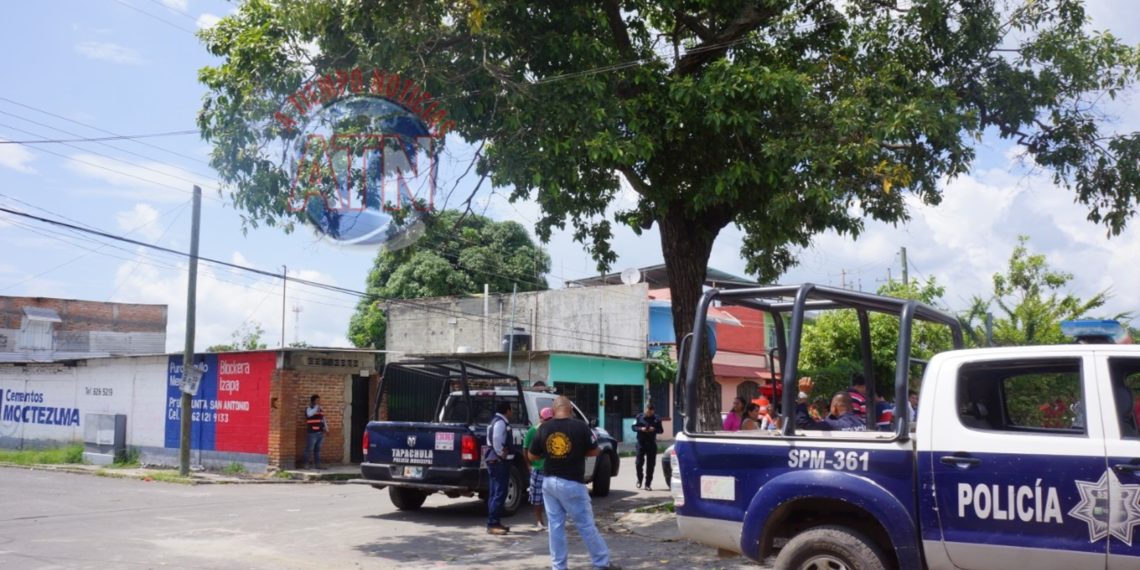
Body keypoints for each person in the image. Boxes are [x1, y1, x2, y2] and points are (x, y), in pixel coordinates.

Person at [528, 396, 621, 570]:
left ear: (554, 411)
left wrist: (548, 455)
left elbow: (532, 456)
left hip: (549, 483)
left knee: (555, 527)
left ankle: (559, 567)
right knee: (585, 525)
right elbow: (594, 451)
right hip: (572, 483)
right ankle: (601, 563)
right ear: (570, 410)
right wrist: (579, 451)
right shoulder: (580, 427)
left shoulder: (544, 428)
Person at [484, 401, 514, 535]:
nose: (512, 413)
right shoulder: (500, 422)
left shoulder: (493, 421)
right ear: (507, 411)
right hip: (498, 461)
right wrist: (501, 453)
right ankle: (492, 523)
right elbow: (496, 438)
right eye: (511, 410)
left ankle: (495, 521)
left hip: (493, 459)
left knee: (494, 492)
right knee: (499, 492)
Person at [795, 378, 866, 431]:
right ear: (852, 407)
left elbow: (803, 424)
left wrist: (803, 394)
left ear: (834, 408)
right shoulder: (865, 423)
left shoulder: (832, 425)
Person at [523, 406, 554, 530]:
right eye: (546, 419)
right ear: (541, 419)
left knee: (552, 497)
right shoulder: (533, 431)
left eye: (550, 419)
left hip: (552, 469)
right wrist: (529, 465)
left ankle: (552, 521)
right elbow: (525, 448)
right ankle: (539, 521)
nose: (548, 421)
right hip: (538, 469)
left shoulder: (554, 430)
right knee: (537, 497)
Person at [633, 404, 663, 490]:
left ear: (653, 411)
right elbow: (633, 427)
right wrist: (641, 429)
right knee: (638, 463)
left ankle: (648, 484)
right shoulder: (639, 416)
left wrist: (654, 429)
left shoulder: (657, 419)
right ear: (645, 410)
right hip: (641, 443)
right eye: (648, 412)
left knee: (651, 465)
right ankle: (639, 479)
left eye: (651, 412)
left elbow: (661, 430)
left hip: (651, 444)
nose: (649, 414)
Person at [304, 394, 326, 469]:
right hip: (312, 432)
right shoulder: (309, 408)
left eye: (319, 400)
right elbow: (309, 414)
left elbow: (323, 419)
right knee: (309, 449)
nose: (319, 402)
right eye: (317, 400)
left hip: (320, 432)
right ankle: (306, 464)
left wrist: (326, 428)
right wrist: (316, 407)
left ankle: (318, 464)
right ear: (313, 401)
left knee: (318, 450)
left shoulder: (320, 409)